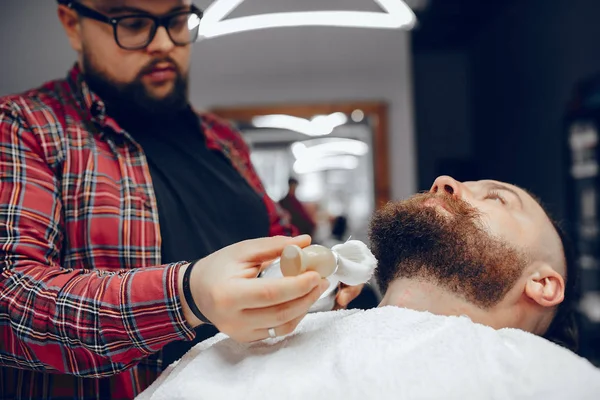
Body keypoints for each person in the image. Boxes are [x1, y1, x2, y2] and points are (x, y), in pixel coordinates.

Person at [0, 1, 362, 399]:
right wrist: (187, 295)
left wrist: (323, 279)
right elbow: (11, 300)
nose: (162, 43)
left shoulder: (224, 141)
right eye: (133, 23)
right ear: (73, 24)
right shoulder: (25, 127)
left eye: (175, 20)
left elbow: (282, 242)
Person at [135, 176, 600, 400]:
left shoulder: (561, 384)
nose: (445, 182)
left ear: (543, 283)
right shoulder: (237, 351)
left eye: (496, 197)